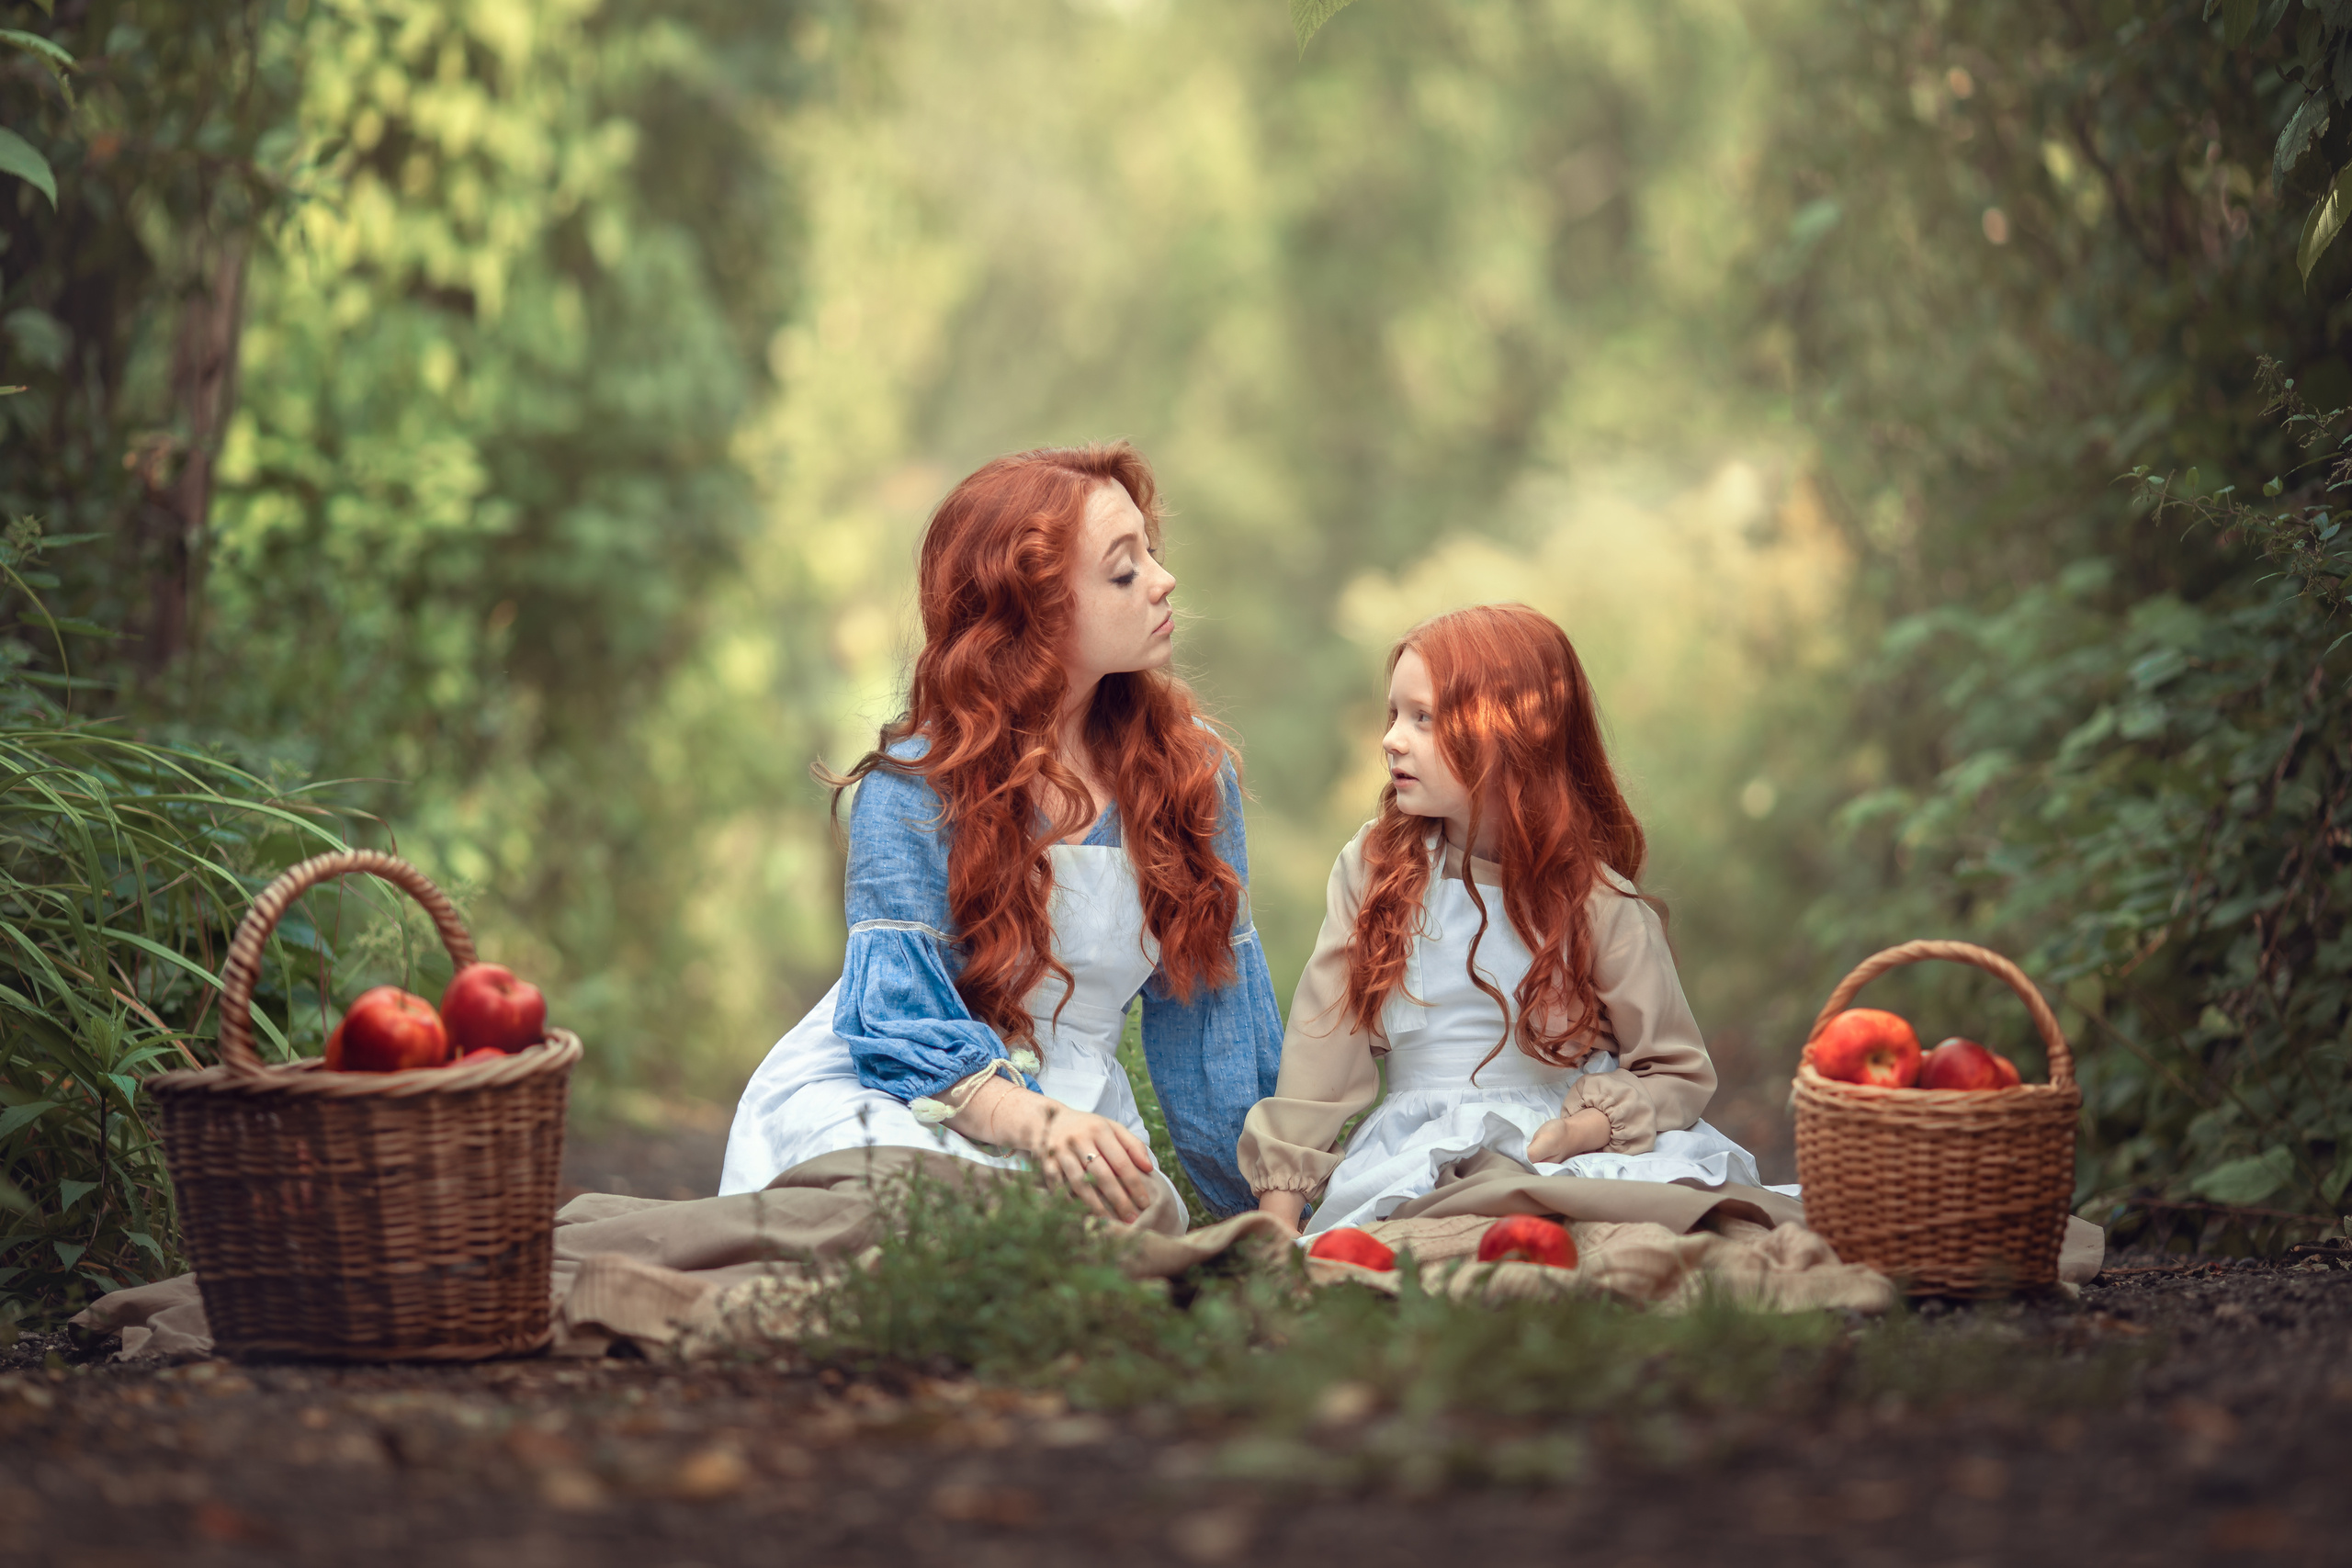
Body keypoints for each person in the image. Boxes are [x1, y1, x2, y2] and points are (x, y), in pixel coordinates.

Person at [718, 442, 1283, 1231]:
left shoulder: (1189, 776)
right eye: (1124, 570)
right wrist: (1040, 1126)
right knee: (906, 1202)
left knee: (1104, 1229)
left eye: (1151, 553)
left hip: (1078, 1113)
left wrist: (1270, 1213)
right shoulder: (915, 782)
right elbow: (902, 1028)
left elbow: (1213, 1033)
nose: (1163, 580)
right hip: (901, 1093)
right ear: (1033, 612)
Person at [1240, 603, 1768, 1237]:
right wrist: (1278, 1217)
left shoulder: (1592, 898)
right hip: (1425, 1149)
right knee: (1433, 1241)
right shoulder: (1379, 872)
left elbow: (1676, 1068)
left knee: (1635, 1234)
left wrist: (1594, 1126)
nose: (1391, 738)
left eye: (1425, 718)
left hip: (1570, 1148)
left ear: (1511, 735)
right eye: (1394, 714)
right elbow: (1321, 1052)